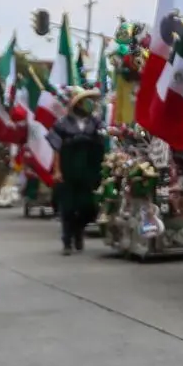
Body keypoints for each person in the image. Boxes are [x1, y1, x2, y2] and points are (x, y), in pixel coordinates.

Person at [50, 89, 106, 254]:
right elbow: (56, 148)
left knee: (88, 207)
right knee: (67, 207)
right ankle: (67, 241)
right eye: (85, 101)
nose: (89, 105)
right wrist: (57, 170)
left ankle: (78, 230)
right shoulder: (62, 123)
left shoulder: (95, 123)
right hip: (68, 168)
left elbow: (102, 142)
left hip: (89, 169)